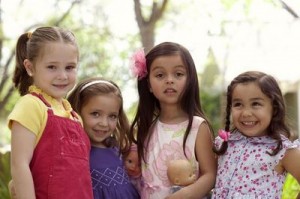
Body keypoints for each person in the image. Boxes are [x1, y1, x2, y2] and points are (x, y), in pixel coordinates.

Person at [8, 26, 93, 198]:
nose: (62, 75)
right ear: (30, 67)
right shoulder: (31, 105)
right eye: (52, 67)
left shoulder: (74, 116)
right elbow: (19, 165)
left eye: (69, 67)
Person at [129, 42, 217, 199]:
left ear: (189, 80)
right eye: (160, 75)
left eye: (178, 74)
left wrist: (186, 194)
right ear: (149, 84)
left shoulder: (198, 127)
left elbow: (210, 174)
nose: (169, 80)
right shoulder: (145, 128)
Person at [212, 71, 300, 199]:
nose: (246, 113)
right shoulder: (224, 143)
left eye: (256, 104)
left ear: (274, 108)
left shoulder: (282, 150)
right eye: (238, 104)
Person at [67, 77, 140, 199]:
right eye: (95, 114)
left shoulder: (118, 149)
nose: (104, 123)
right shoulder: (74, 153)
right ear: (77, 111)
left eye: (112, 116)